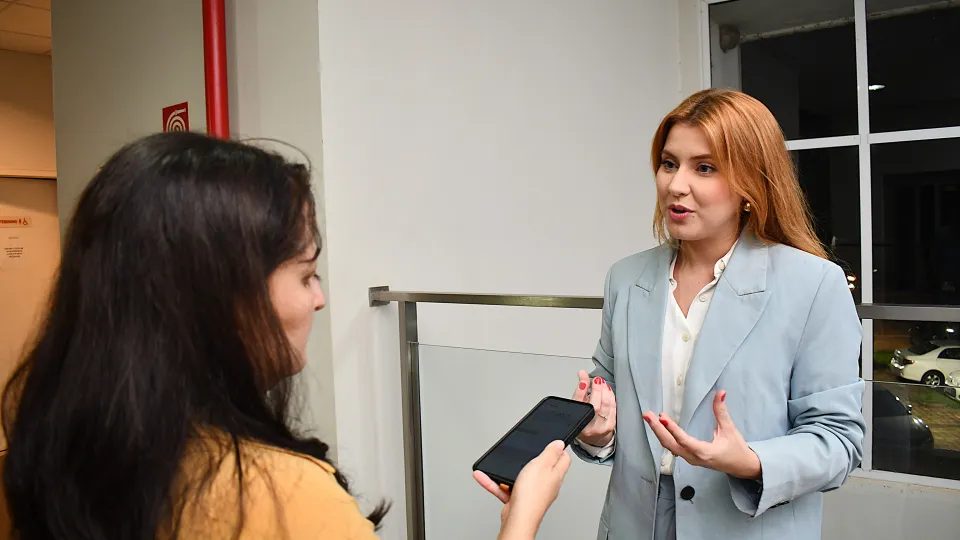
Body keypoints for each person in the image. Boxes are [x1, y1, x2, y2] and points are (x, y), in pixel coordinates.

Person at [0, 132, 569, 539]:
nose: (320, 298)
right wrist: (520, 523)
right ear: (221, 296)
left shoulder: (56, 455)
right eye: (305, 274)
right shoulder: (284, 499)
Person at [569, 89, 865, 539]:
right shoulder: (625, 279)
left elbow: (839, 441)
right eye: (669, 163)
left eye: (703, 167)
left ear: (751, 183)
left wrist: (749, 461)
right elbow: (607, 403)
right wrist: (596, 431)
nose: (675, 184)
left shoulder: (813, 285)